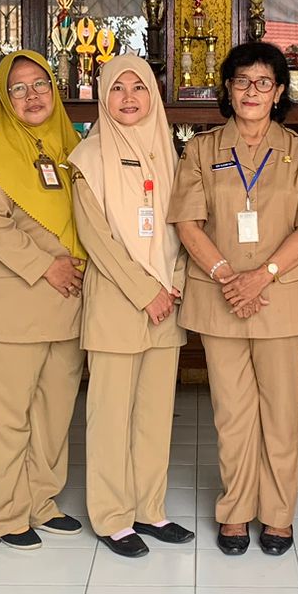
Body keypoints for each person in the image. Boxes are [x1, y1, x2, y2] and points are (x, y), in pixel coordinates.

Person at [170, 41, 298, 557]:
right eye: (242, 81)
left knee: (281, 413)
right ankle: (235, 510)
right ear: (228, 89)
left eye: (264, 82)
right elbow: (187, 222)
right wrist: (226, 276)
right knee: (232, 413)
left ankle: (279, 516)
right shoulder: (201, 149)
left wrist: (261, 276)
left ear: (279, 91)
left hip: (279, 298)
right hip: (220, 298)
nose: (252, 91)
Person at [70, 56, 193, 558]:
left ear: (152, 96)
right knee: (111, 414)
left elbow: (186, 227)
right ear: (103, 96)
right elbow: (96, 238)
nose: (127, 97)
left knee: (154, 415)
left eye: (137, 87)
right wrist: (148, 292)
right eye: (117, 88)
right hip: (120, 301)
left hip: (169, 301)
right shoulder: (88, 157)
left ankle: (149, 508)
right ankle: (112, 516)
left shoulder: (170, 154)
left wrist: (176, 282)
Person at [0, 50, 87, 549]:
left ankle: (42, 501)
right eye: (18, 88)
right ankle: (7, 512)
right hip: (11, 306)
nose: (32, 95)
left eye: (40, 84)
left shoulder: (73, 149)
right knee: (5, 416)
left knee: (53, 414)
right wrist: (47, 265)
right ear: (4, 97)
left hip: (67, 305)